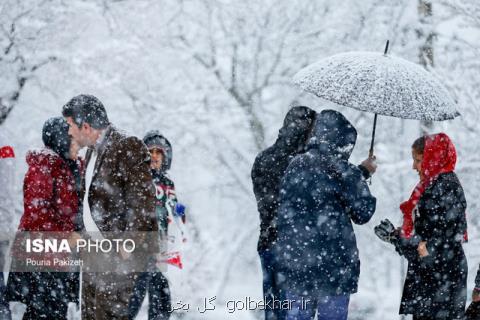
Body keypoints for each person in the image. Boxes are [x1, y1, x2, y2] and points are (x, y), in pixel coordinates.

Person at [62, 94, 158, 320]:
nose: (68, 133)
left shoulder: (127, 145)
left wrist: (129, 243)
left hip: (118, 254)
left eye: (69, 126)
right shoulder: (90, 152)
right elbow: (90, 201)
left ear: (85, 126)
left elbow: (143, 201)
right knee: (90, 315)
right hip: (94, 252)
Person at [274, 109, 377, 320]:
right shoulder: (343, 170)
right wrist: (361, 175)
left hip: (296, 265)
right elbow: (363, 212)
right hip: (334, 269)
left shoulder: (295, 165)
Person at [375, 133, 467, 320]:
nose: (414, 166)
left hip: (441, 281)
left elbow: (432, 245)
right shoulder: (432, 185)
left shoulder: (444, 186)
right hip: (438, 278)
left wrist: (400, 238)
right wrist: (397, 236)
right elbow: (426, 239)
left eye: (418, 160)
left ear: (434, 158)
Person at [6, 117, 81, 319]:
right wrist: (67, 235)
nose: (79, 144)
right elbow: (37, 214)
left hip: (58, 255)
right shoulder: (43, 166)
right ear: (61, 140)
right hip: (41, 257)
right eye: (73, 139)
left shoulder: (69, 167)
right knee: (43, 312)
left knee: (53, 311)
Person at [251, 106, 316, 320]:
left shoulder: (263, 159)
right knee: (298, 311)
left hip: (268, 242)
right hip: (297, 247)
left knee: (274, 308)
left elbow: (265, 202)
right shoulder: (305, 164)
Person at [128, 131, 179, 320]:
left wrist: (179, 212)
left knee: (160, 289)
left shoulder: (167, 183)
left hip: (160, 243)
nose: (155, 156)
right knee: (136, 290)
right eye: (151, 152)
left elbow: (174, 210)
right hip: (140, 243)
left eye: (160, 152)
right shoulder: (138, 179)